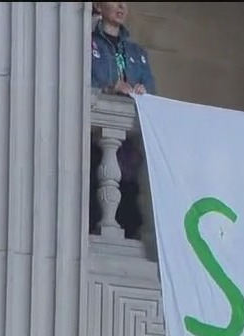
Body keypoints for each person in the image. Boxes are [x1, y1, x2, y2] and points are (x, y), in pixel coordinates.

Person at [89, 2, 156, 238]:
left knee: (129, 204)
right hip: (95, 143)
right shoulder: (87, 43)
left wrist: (142, 90)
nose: (121, 6)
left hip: (128, 149)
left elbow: (152, 92)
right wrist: (110, 87)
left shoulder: (137, 52)